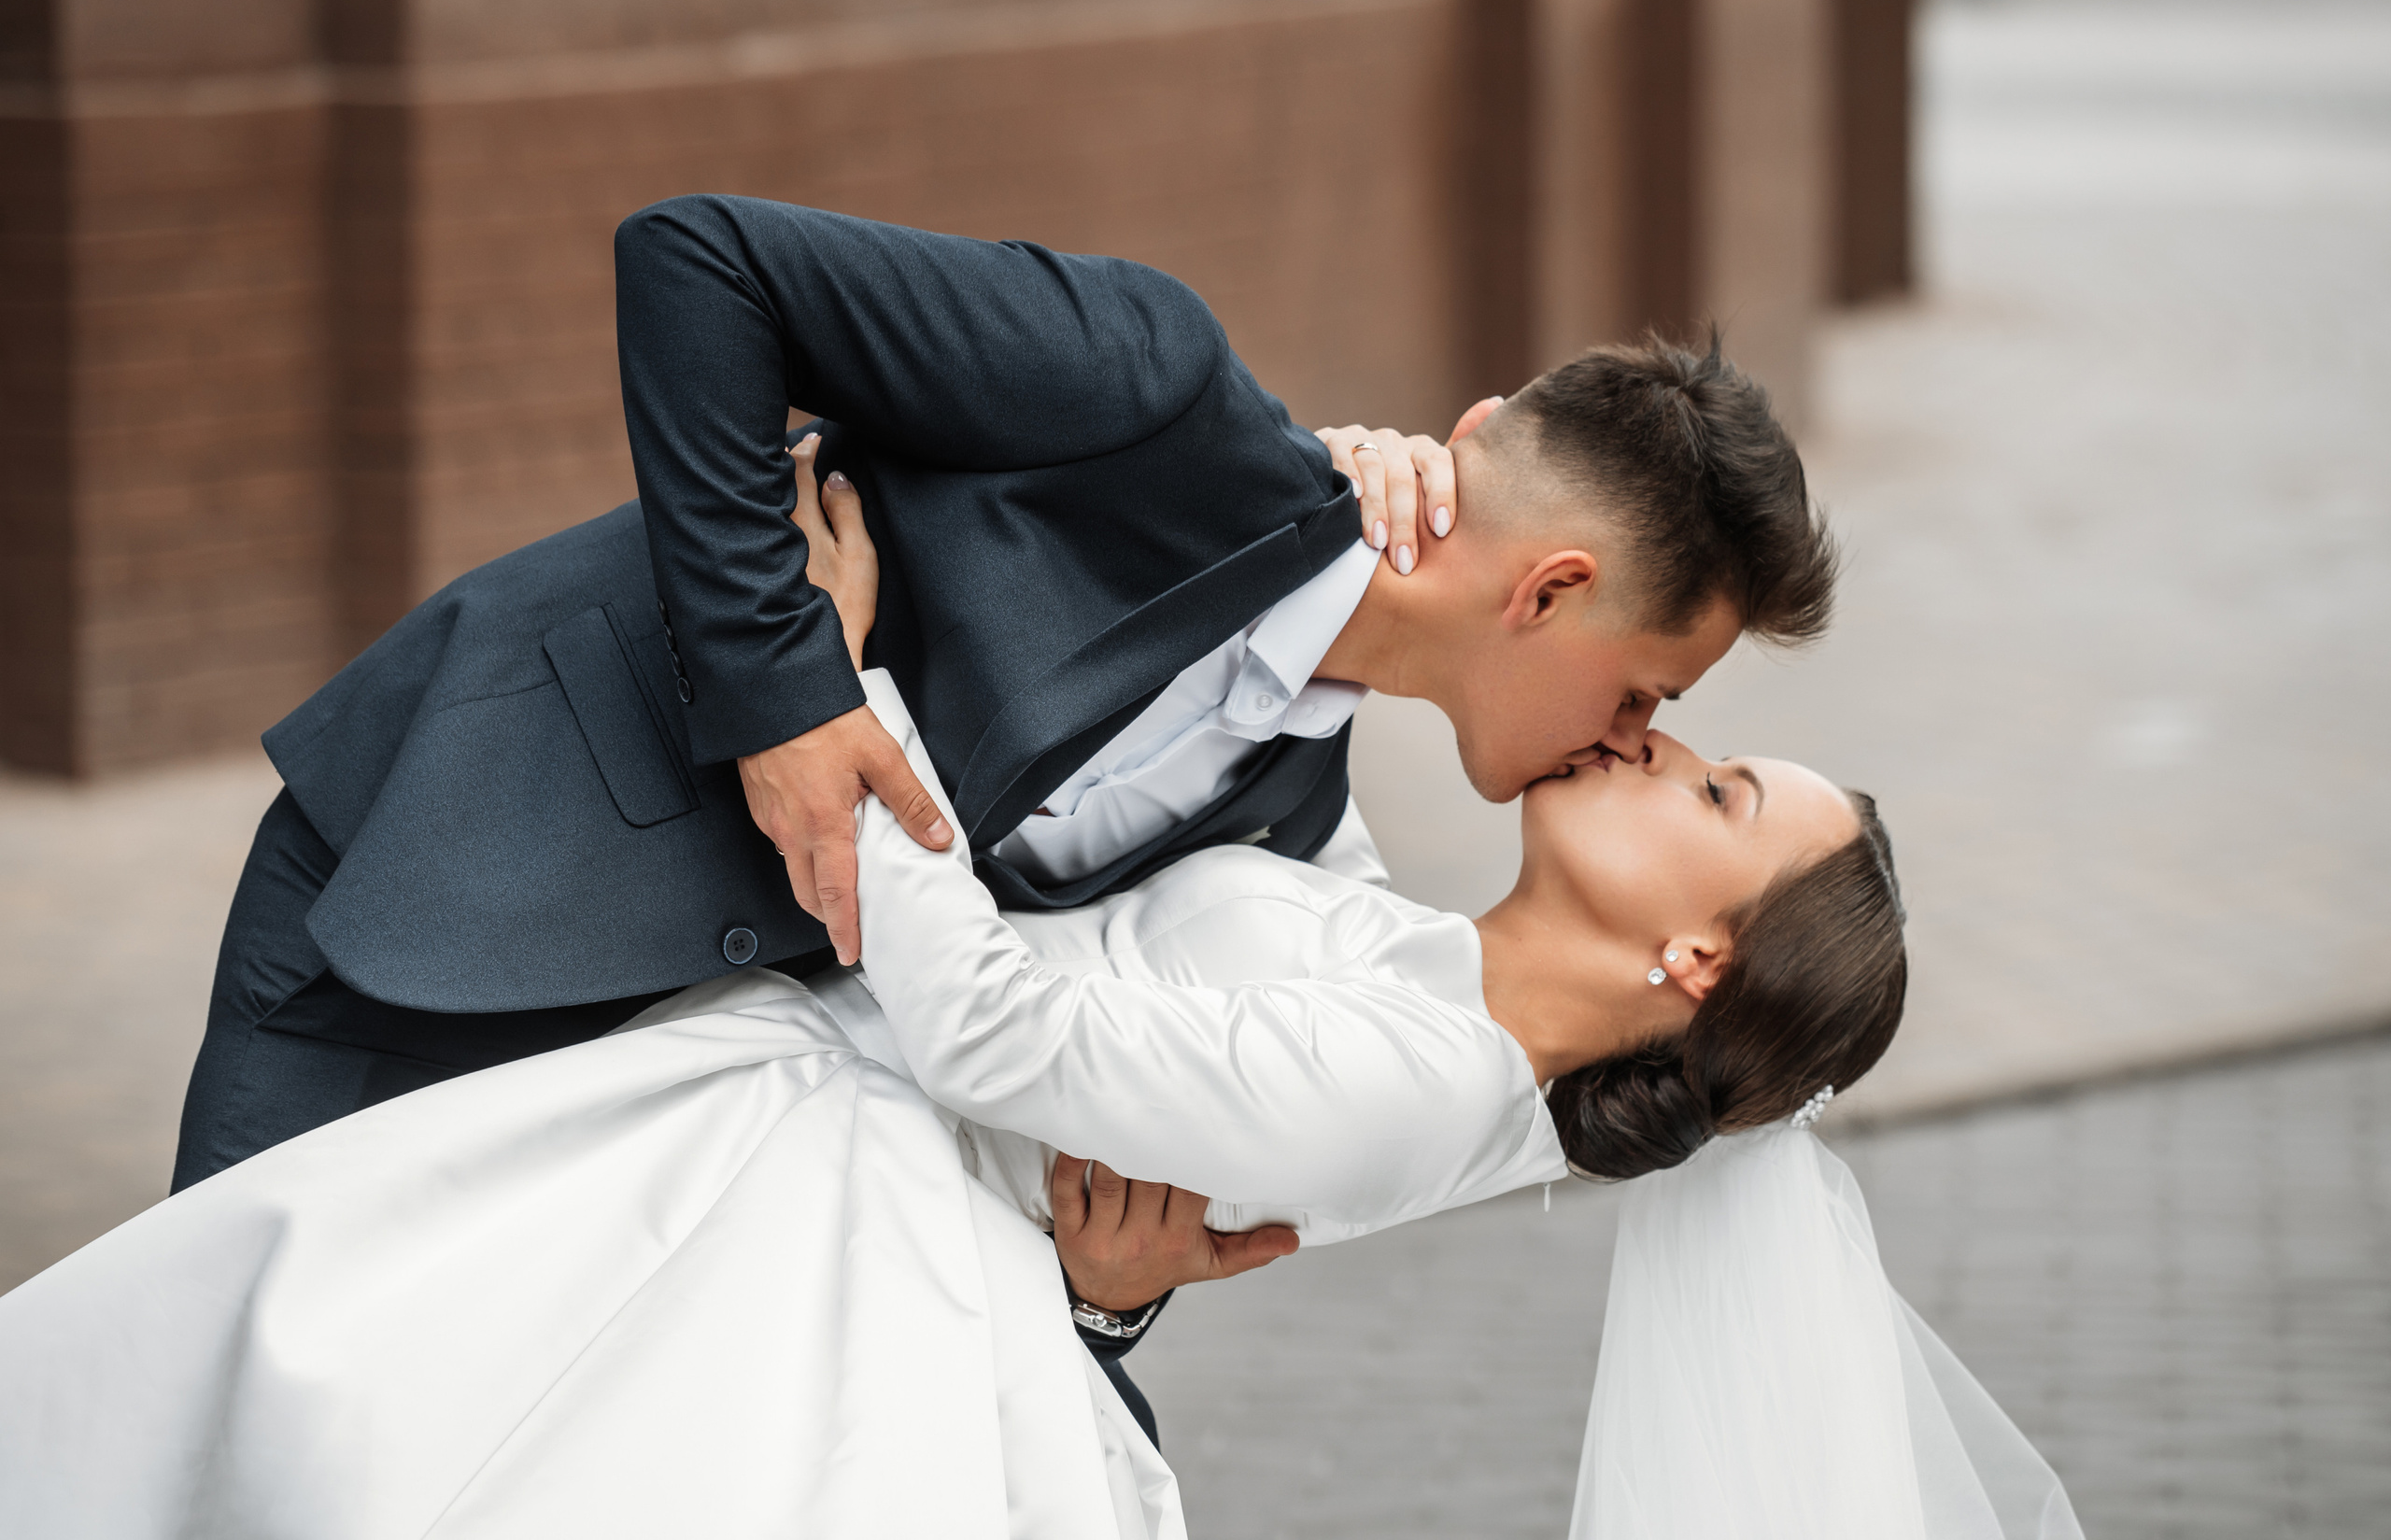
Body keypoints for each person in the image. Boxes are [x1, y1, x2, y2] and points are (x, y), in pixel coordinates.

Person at [0, 487, 2078, 1539]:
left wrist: (848, 672)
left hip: (830, 1204)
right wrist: (1356, 616)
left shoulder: (1412, 1078)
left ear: (1694, 963)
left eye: (1715, 790)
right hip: (814, 1167)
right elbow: (1272, 875)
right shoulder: (1434, 991)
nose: (1654, 738)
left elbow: (998, 1032)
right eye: (1679, 724)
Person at [167, 197, 1835, 1413]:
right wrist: (795, 688)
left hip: (669, 1144)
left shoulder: (1295, 832)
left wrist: (1110, 1298)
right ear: (1545, 591)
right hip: (447, 890)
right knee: (199, 1416)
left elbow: (1182, 1100)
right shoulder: (1152, 392)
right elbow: (699, 264)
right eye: (1648, 695)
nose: (1626, 742)